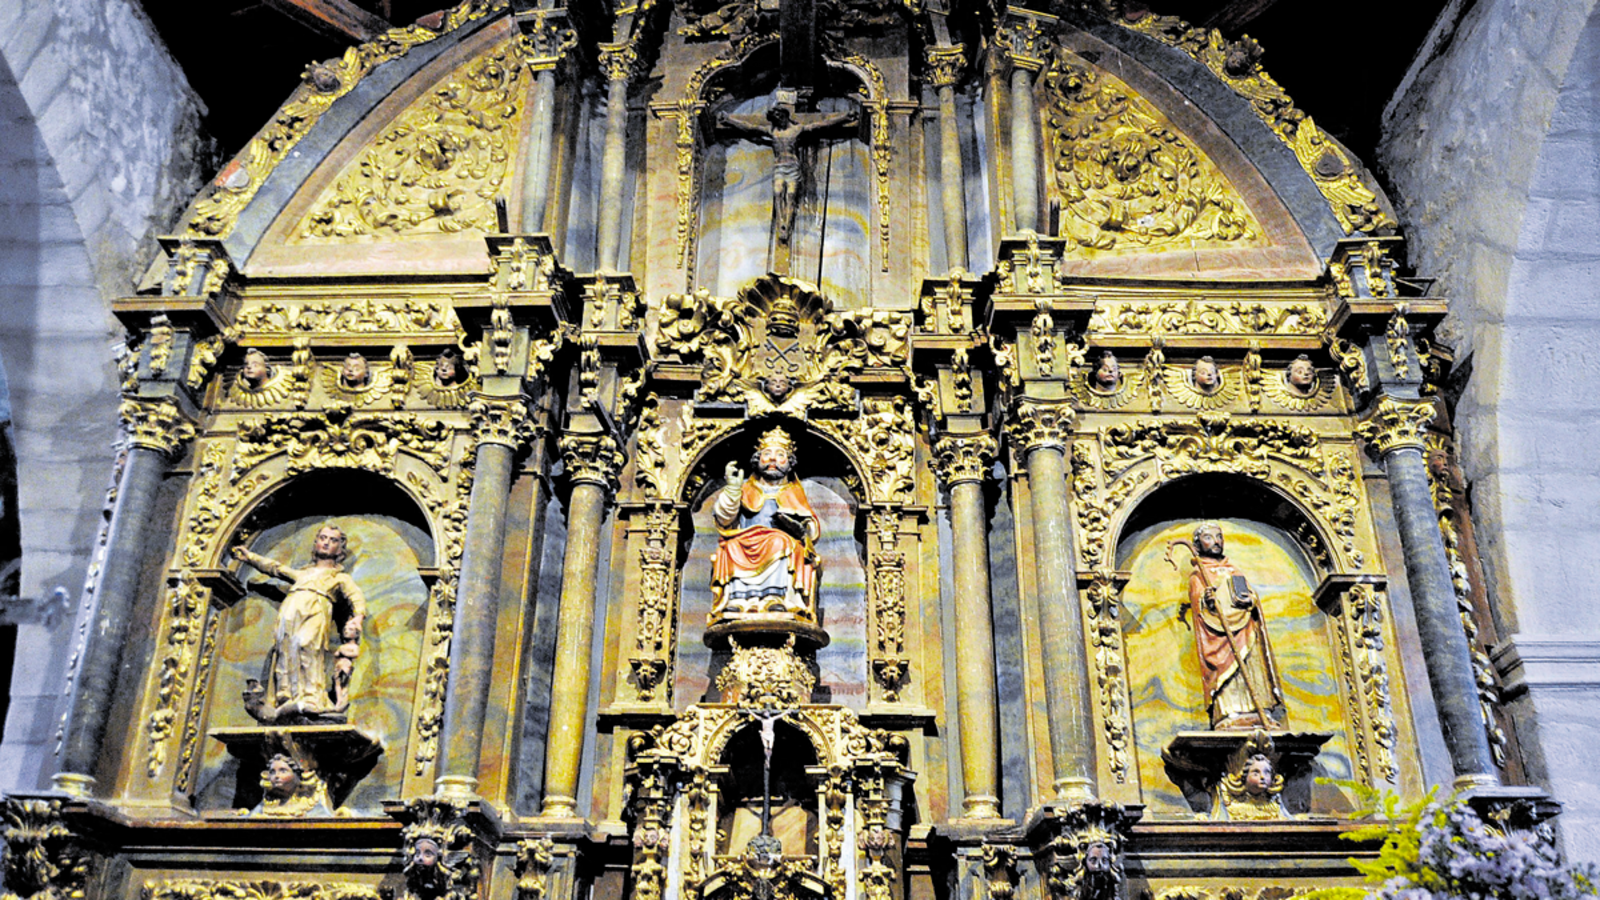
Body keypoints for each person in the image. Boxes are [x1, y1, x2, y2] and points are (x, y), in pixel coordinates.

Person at [232, 524, 368, 724]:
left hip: (314, 612)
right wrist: (249, 557)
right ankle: (286, 696)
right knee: (285, 648)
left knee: (307, 646)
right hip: (289, 613)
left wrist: (358, 617)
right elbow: (275, 568)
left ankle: (311, 696)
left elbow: (356, 596)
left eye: (333, 540)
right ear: (316, 543)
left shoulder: (339, 578)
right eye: (323, 537)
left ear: (340, 550)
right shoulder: (303, 574)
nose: (326, 542)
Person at [711, 427, 821, 622]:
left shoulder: (793, 492)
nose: (772, 459)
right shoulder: (746, 488)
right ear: (757, 459)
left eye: (780, 455)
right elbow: (724, 518)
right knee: (730, 547)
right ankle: (739, 601)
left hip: (780, 541)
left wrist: (800, 528)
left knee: (779, 541)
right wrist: (733, 489)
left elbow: (810, 528)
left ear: (789, 463)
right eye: (767, 454)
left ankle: (774, 597)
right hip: (745, 539)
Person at [1182, 523, 1285, 730]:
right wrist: (1206, 600)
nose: (1216, 542)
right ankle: (1231, 711)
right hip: (1219, 634)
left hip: (1245, 629)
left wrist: (1250, 601)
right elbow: (1198, 605)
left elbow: (1249, 596)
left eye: (1219, 537)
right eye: (1209, 538)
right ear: (1198, 544)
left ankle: (1260, 710)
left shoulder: (1234, 570)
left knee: (1252, 664)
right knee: (1228, 670)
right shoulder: (1198, 575)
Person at [716, 99, 858, 245]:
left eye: (779, 116)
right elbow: (750, 127)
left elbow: (821, 125)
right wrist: (728, 120)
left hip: (792, 167)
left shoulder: (797, 130)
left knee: (790, 196)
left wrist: (844, 118)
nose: (778, 120)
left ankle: (786, 225)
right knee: (778, 193)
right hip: (779, 167)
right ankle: (781, 223)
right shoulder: (772, 131)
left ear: (784, 116)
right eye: (775, 118)